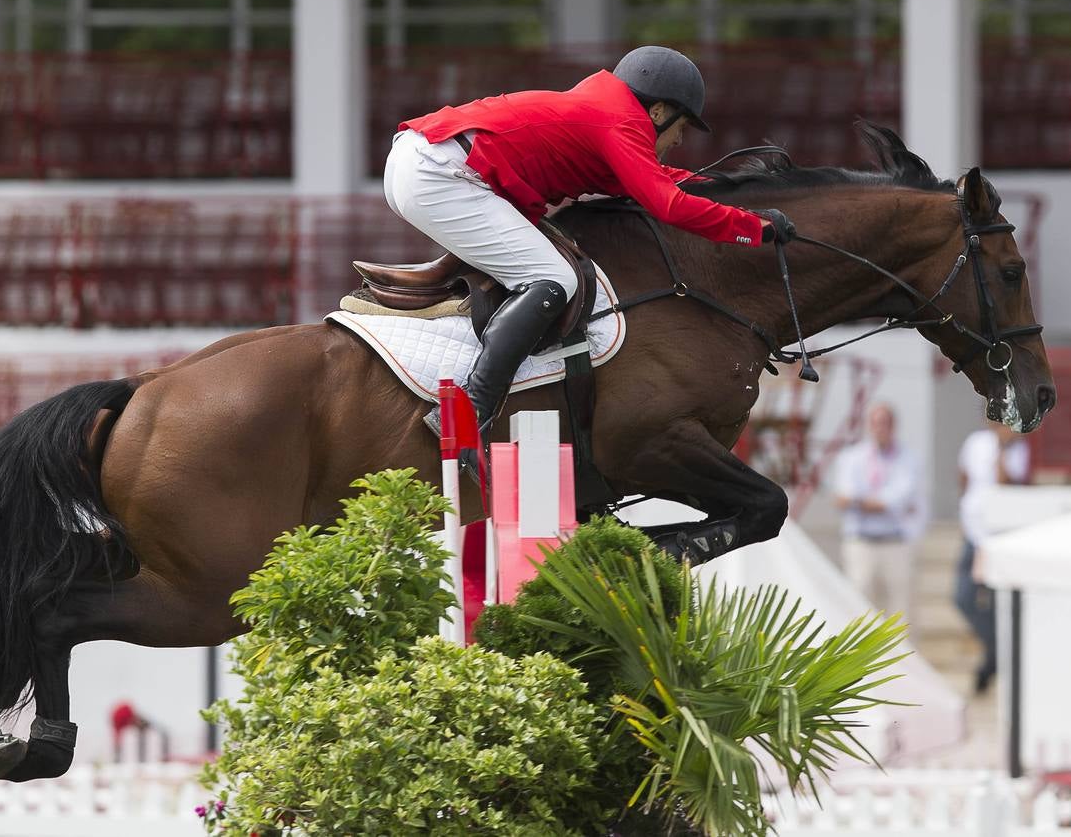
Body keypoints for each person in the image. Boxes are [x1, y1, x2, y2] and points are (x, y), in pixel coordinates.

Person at [384, 45, 798, 437]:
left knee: (545, 271)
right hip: (439, 174)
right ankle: (472, 411)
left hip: (430, 162)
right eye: (682, 127)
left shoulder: (608, 113)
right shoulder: (620, 122)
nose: (680, 142)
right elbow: (668, 205)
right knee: (554, 279)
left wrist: (735, 195)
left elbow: (655, 183)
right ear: (658, 111)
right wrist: (754, 228)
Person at [832, 403, 927, 627]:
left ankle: (901, 661)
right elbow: (843, 498)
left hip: (896, 541)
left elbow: (898, 499)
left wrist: (861, 501)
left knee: (901, 610)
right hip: (861, 541)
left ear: (893, 426)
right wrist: (878, 503)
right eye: (876, 423)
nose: (880, 428)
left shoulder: (909, 459)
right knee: (858, 607)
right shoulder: (852, 457)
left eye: (885, 423)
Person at [955, 419, 1031, 695]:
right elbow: (964, 477)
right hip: (973, 535)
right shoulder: (975, 442)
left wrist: (1002, 450)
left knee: (996, 603)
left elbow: (1007, 483)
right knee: (963, 598)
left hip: (998, 538)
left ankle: (992, 662)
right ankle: (998, 652)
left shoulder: (1019, 449)